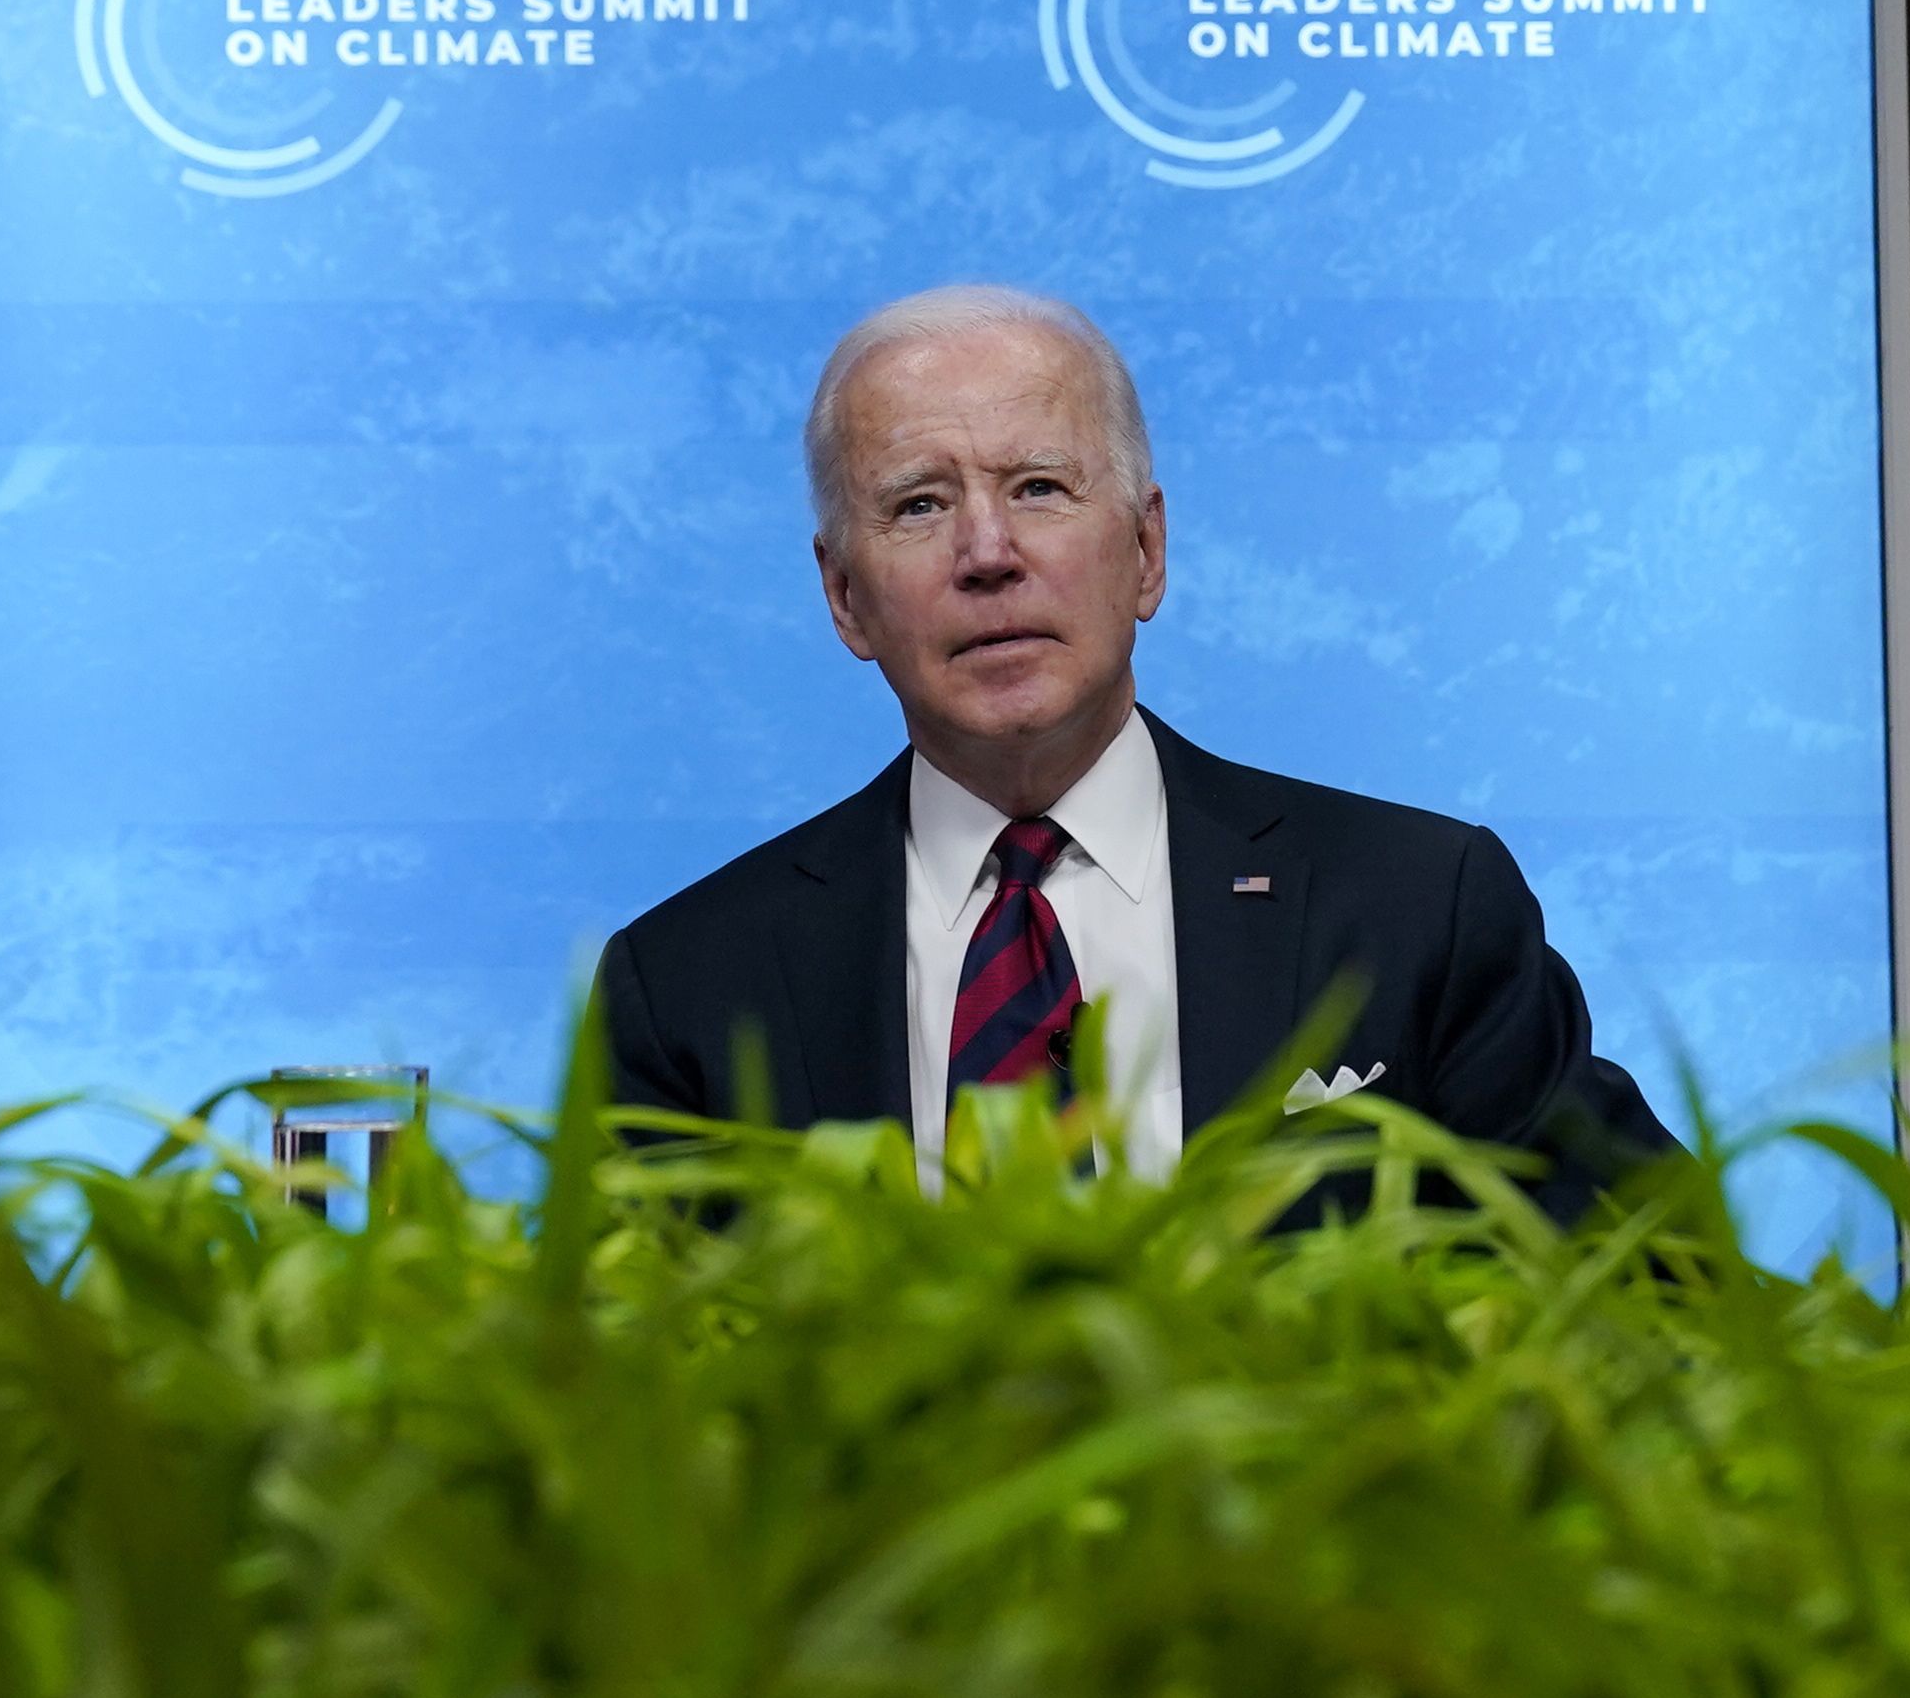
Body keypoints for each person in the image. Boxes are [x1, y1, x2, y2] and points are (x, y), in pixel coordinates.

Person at [594, 283, 1677, 1212]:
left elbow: (1651, 1283)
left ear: (1147, 550)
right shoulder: (691, 981)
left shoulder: (1415, 908)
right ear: (845, 596)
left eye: (1039, 487)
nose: (988, 551)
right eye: (920, 504)